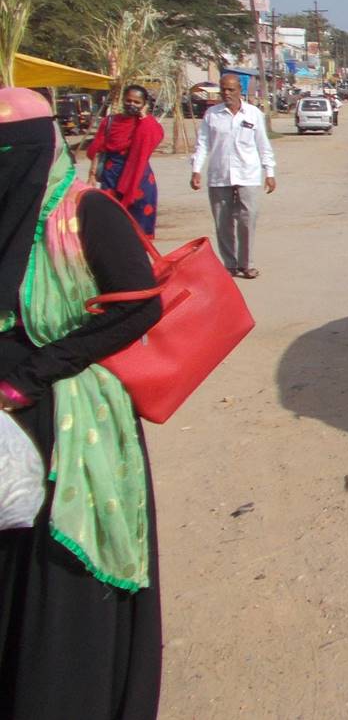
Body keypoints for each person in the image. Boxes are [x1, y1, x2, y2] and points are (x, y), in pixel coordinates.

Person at [0, 86, 165, 719]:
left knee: (61, 580)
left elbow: (138, 306)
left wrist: (34, 374)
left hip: (68, 421)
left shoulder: (84, 212)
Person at [190, 73, 276, 279]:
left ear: (240, 91)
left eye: (231, 89)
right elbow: (203, 144)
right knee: (223, 221)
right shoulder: (212, 114)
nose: (227, 93)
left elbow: (263, 145)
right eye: (223, 90)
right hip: (219, 175)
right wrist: (196, 170)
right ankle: (229, 264)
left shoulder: (253, 114)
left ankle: (247, 264)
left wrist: (269, 172)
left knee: (248, 219)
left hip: (248, 174)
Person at [84, 84, 165, 236]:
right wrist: (92, 175)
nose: (131, 104)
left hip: (139, 177)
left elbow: (153, 139)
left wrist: (144, 117)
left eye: (137, 102)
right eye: (128, 100)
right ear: (123, 100)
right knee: (111, 218)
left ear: (144, 104)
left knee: (139, 224)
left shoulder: (147, 123)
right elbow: (98, 149)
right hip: (112, 175)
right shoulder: (109, 122)